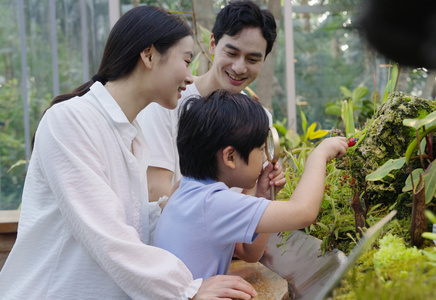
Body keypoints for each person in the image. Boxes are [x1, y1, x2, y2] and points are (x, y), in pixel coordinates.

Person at [0, 6, 258, 300]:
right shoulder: (70, 120)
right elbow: (106, 233)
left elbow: (133, 226)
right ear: (148, 55)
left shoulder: (132, 137)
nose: (190, 76)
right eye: (186, 60)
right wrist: (187, 288)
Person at [153, 90, 348, 280]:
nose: (264, 158)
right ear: (230, 157)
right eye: (261, 149)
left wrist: (263, 196)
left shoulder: (184, 189)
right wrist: (319, 156)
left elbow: (249, 252)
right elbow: (303, 212)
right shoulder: (213, 203)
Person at [137, 0, 280, 204]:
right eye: (231, 53)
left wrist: (263, 192)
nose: (239, 68)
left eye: (253, 59)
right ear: (212, 44)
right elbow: (156, 190)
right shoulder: (167, 102)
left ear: (264, 60)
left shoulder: (260, 118)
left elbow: (250, 199)